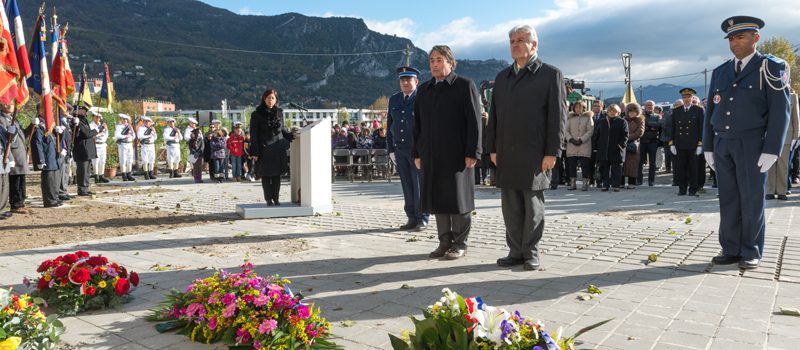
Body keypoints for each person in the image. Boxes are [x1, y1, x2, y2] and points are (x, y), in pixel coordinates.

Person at [703, 16, 791, 270]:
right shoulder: (721, 71)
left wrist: (772, 148)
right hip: (723, 143)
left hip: (752, 143)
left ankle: (751, 250)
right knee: (728, 198)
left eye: (740, 37)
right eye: (731, 38)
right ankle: (730, 248)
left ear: (756, 37)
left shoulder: (770, 68)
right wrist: (708, 145)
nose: (734, 43)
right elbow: (711, 112)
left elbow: (780, 111)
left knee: (751, 199)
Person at [486, 25, 566, 270]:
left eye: (521, 40)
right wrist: (492, 148)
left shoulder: (550, 74)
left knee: (532, 207)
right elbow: (494, 117)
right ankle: (515, 251)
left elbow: (557, 117)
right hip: (506, 153)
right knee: (510, 207)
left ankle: (531, 252)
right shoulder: (502, 78)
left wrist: (552, 152)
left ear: (534, 45)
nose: (515, 44)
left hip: (535, 154)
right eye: (511, 40)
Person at [413, 45, 482, 260]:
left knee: (458, 200)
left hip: (458, 155)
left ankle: (460, 243)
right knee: (438, 199)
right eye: (431, 60)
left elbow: (474, 122)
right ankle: (444, 242)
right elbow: (418, 125)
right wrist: (417, 153)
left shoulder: (464, 85)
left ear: (451, 63)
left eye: (439, 60)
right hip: (431, 155)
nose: (434, 64)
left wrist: (473, 151)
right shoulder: (424, 90)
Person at [388, 66, 429, 231]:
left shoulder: (422, 98)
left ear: (416, 82)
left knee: (418, 183)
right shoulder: (394, 99)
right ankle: (411, 217)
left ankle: (422, 217)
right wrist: (390, 149)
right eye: (402, 80)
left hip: (417, 149)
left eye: (408, 79)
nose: (405, 82)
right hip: (400, 149)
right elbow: (390, 125)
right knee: (406, 184)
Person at [250, 89, 294, 206]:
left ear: (276, 100)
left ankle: (276, 199)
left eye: (273, 98)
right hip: (264, 148)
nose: (270, 100)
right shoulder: (256, 114)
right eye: (268, 97)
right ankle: (268, 199)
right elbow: (253, 134)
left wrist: (292, 135)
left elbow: (283, 129)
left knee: (276, 175)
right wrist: (255, 150)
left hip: (278, 148)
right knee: (265, 175)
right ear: (264, 99)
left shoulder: (279, 112)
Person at [668, 88, 705, 196]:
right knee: (681, 168)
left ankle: (693, 189)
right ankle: (682, 189)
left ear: (692, 98)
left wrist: (700, 144)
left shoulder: (699, 110)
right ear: (682, 98)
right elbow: (672, 128)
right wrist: (672, 143)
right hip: (680, 144)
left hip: (693, 145)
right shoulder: (676, 110)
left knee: (694, 168)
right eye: (684, 97)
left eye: (688, 97)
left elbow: (701, 128)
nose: (686, 99)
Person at [765, 89, 799, 200]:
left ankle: (781, 191)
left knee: (783, 165)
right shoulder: (768, 94)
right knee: (769, 164)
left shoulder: (792, 97)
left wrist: (796, 136)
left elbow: (796, 118)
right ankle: (769, 191)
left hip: (787, 136)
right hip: (770, 135)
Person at [0, 102, 29, 214]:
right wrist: (10, 157)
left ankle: (21, 203)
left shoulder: (13, 119)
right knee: (15, 181)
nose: (10, 105)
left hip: (20, 153)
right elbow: (6, 140)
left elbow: (23, 135)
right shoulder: (2, 119)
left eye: (11, 103)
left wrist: (32, 126)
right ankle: (15, 204)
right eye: (8, 103)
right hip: (13, 153)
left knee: (21, 179)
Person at [593, 105, 628, 192]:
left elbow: (625, 135)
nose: (612, 112)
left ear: (618, 112)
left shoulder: (622, 121)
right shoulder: (602, 121)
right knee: (604, 168)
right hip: (604, 149)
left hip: (616, 149)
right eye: (610, 110)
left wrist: (621, 146)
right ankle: (605, 185)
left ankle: (616, 185)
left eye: (614, 111)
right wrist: (596, 147)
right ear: (607, 112)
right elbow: (597, 135)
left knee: (616, 168)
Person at [30, 110, 61, 208]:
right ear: (41, 112)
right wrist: (40, 160)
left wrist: (59, 133)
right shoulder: (38, 126)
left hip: (53, 155)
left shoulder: (49, 124)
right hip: (47, 157)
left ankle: (54, 198)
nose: (51, 112)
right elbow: (37, 143)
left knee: (54, 180)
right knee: (49, 180)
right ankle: (49, 200)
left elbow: (55, 140)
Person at [565, 101, 594, 191]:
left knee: (585, 165)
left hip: (584, 145)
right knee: (572, 165)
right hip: (571, 145)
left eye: (580, 107)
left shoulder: (588, 118)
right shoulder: (570, 118)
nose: (578, 109)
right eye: (576, 107)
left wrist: (581, 139)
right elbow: (566, 131)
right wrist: (570, 139)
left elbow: (590, 131)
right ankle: (572, 183)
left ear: (584, 108)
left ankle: (585, 183)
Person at [72, 106, 98, 196]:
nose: (85, 112)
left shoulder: (83, 120)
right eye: (83, 110)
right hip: (81, 150)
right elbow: (86, 133)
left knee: (86, 171)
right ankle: (82, 189)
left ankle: (85, 187)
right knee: (82, 170)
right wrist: (96, 131)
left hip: (87, 149)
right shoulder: (76, 120)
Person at [638, 100, 662, 186]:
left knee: (652, 162)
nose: (649, 106)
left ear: (654, 106)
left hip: (653, 141)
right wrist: (651, 127)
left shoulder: (657, 116)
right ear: (644, 106)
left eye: (651, 105)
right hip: (642, 141)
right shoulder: (641, 116)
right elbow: (640, 127)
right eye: (647, 105)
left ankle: (651, 181)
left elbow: (659, 125)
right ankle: (639, 180)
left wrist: (647, 125)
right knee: (640, 162)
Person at [622, 102, 644, 189]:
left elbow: (639, 133)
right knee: (622, 164)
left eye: (634, 111)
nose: (632, 113)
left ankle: (632, 183)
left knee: (632, 165)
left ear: (637, 112)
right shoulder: (623, 120)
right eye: (630, 111)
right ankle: (621, 182)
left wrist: (626, 138)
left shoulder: (640, 120)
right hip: (623, 145)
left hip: (634, 145)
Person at [589, 100, 606, 187]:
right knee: (590, 163)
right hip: (590, 143)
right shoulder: (589, 116)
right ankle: (591, 181)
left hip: (601, 144)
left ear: (602, 107)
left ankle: (600, 181)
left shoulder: (605, 117)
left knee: (601, 164)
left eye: (598, 106)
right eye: (595, 106)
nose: (596, 107)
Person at [89, 112, 110, 183]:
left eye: (99, 117)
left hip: (103, 144)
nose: (98, 119)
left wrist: (106, 130)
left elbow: (106, 135)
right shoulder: (91, 125)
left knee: (103, 161)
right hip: (96, 145)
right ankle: (96, 176)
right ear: (93, 117)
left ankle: (101, 175)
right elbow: (92, 135)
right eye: (96, 117)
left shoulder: (102, 125)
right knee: (95, 162)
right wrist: (99, 135)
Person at [115, 114, 136, 181]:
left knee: (130, 160)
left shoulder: (129, 126)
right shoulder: (118, 127)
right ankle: (124, 175)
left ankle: (129, 174)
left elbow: (134, 136)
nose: (125, 120)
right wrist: (125, 136)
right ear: (121, 119)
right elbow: (117, 136)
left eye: (126, 119)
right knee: (123, 160)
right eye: (123, 119)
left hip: (129, 144)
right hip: (123, 145)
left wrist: (131, 131)